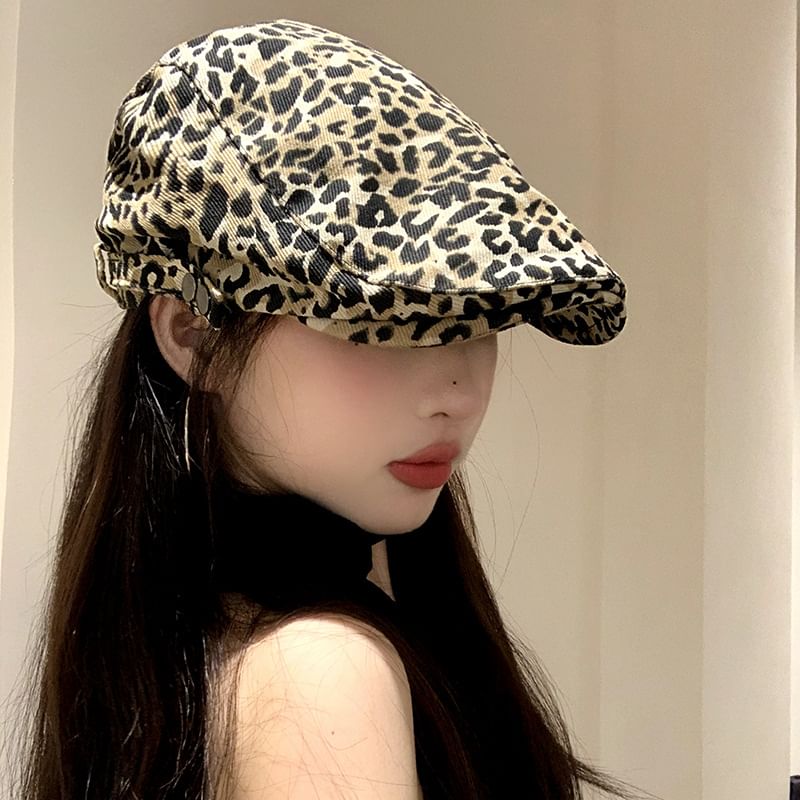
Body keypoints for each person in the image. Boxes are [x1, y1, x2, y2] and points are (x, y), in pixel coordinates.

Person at [12, 18, 657, 800]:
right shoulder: (319, 672)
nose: (459, 392)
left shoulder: (179, 654)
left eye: (481, 321)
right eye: (387, 325)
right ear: (193, 334)